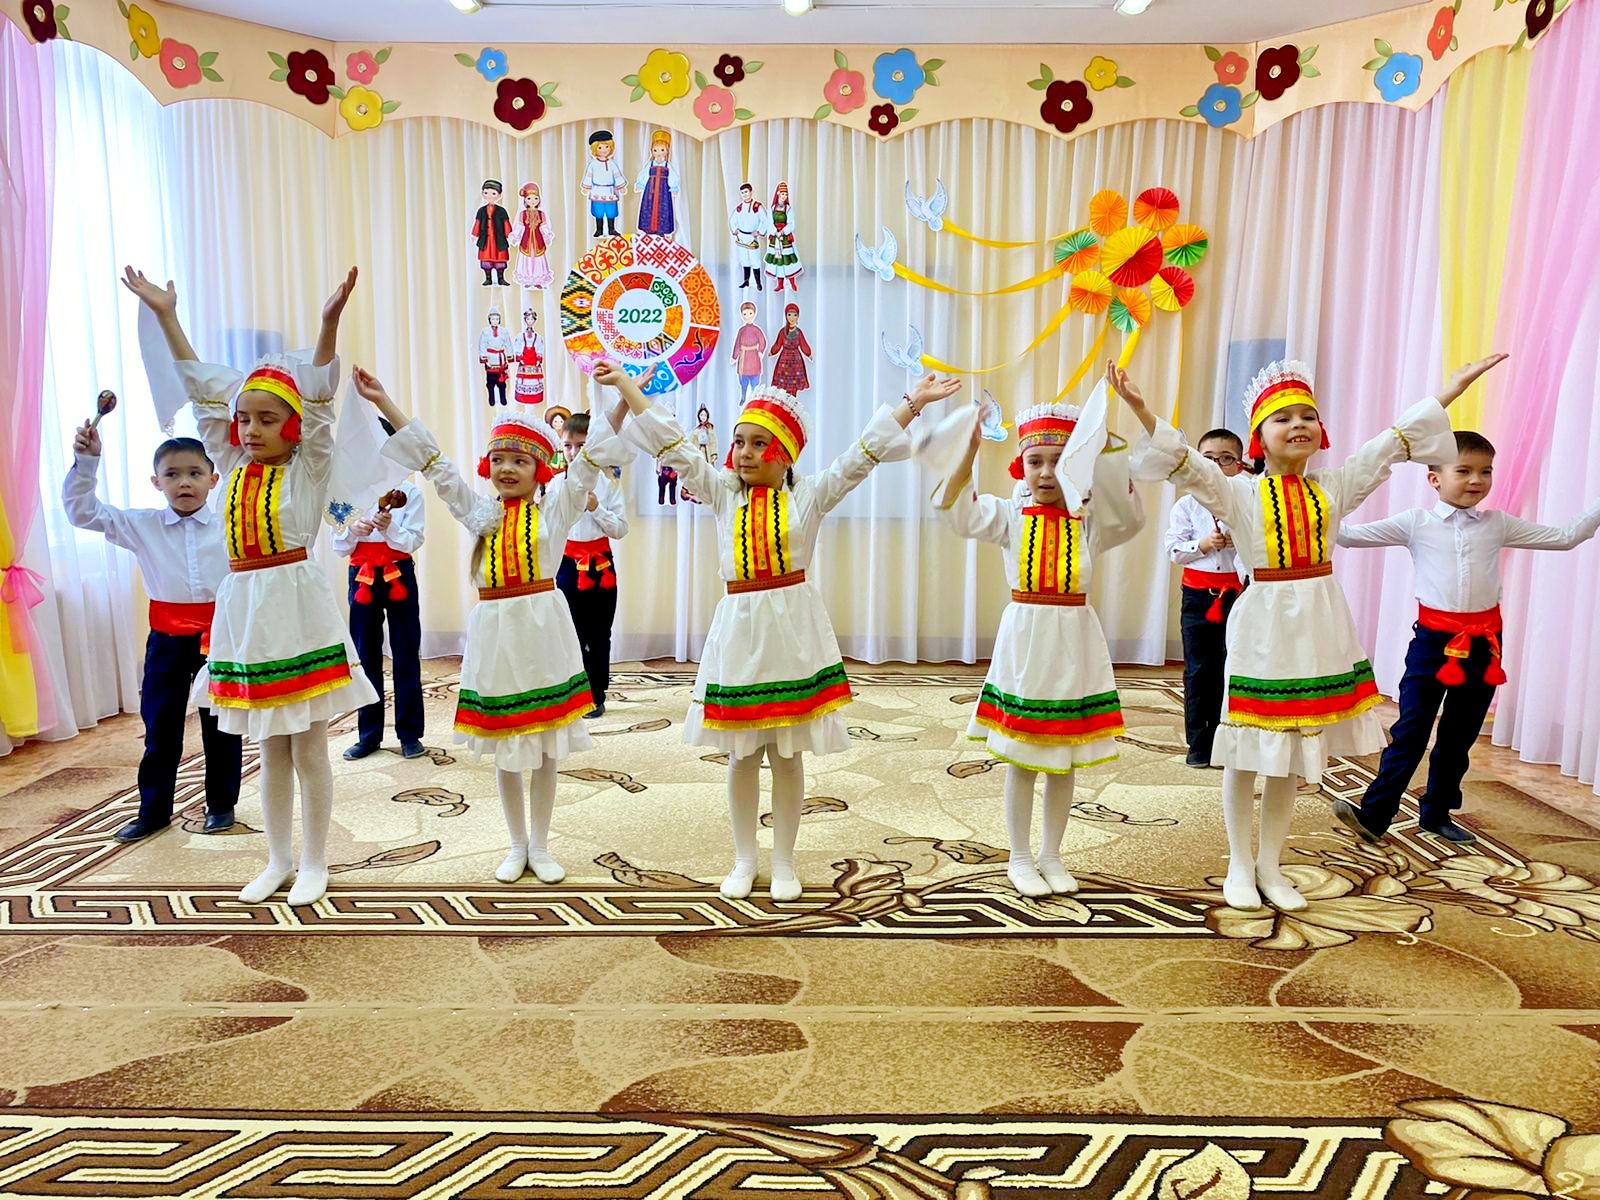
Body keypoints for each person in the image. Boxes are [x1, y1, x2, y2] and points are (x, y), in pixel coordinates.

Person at [1110, 353, 1505, 912]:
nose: (1298, 424)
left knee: (1291, 754)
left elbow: (1390, 444)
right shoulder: (1238, 492)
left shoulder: (1334, 486)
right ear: (1258, 436)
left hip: (1318, 628)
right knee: (1247, 749)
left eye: (1307, 416)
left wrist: (1451, 389)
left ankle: (1271, 865)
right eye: (1282, 418)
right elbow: (1188, 464)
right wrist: (1141, 409)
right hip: (1263, 628)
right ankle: (1239, 864)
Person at [597, 362, 959, 901]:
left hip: (792, 636)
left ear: (785, 452)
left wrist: (913, 402)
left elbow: (861, 455)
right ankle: (745, 858)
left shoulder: (809, 496)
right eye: (739, 442)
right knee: (742, 755)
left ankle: (784, 861)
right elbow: (674, 446)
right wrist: (627, 387)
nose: (744, 453)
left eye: (758, 443)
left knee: (787, 755)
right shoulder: (722, 492)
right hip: (740, 635)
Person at [123, 264, 379, 908]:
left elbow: (319, 405)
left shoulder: (310, 466)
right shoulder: (231, 462)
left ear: (291, 426)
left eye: (267, 419)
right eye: (245, 419)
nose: (251, 429)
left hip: (295, 606)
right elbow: (200, 392)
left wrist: (328, 323)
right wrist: (167, 316)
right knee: (269, 745)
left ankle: (315, 862)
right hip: (243, 611)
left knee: (308, 746)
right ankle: (277, 860)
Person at [359, 368, 630, 885]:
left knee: (545, 746)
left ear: (540, 468)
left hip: (543, 633)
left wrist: (616, 399)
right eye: (500, 458)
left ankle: (541, 844)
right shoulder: (481, 514)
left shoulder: (557, 510)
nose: (508, 468)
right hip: (496, 637)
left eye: (520, 460)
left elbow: (591, 460)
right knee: (507, 747)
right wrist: (385, 402)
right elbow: (437, 466)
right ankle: (516, 843)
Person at [1333, 431, 1600, 845]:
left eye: (1485, 471)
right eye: (1463, 471)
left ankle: (1437, 813)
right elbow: (1349, 536)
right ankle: (1374, 814)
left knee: (1459, 736)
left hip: (1484, 647)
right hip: (1432, 645)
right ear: (1434, 478)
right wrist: (1314, 506)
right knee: (1411, 730)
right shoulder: (1415, 523)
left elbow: (1564, 538)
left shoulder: (1498, 524)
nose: (1476, 479)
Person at [930, 398, 1142, 896]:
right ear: (1020, 465)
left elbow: (1130, 518)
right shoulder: (1010, 514)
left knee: (1064, 756)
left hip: (1074, 641)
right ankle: (1020, 856)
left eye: (1058, 461)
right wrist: (969, 449)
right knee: (1024, 756)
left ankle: (1052, 853)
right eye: (1035, 461)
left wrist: (1103, 449)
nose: (1046, 473)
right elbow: (955, 512)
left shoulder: (1089, 518)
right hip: (1026, 643)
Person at [62, 429, 241, 842]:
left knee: (221, 725)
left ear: (213, 479)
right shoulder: (141, 525)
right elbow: (82, 512)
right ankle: (154, 811)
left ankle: (221, 805)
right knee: (160, 726)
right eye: (172, 474)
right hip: (166, 640)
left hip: (220, 639)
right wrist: (87, 463)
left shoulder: (230, 525)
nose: (184, 483)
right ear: (156, 481)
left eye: (195, 473)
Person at [331, 467, 426, 762]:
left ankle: (410, 734)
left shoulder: (409, 493)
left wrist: (389, 529)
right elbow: (338, 546)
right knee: (365, 654)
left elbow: (414, 540)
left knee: (406, 650)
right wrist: (352, 530)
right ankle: (368, 735)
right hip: (361, 575)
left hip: (399, 573)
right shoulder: (347, 495)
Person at [1165, 428, 1247, 768]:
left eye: (1226, 459)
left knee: (1233, 667)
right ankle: (1199, 743)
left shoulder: (1246, 503)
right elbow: (1173, 549)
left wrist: (1238, 542)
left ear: (1239, 465)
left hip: (1238, 596)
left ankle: (1230, 743)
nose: (1216, 466)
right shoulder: (1186, 505)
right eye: (1208, 459)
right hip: (1198, 597)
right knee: (1199, 669)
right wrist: (1202, 545)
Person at [555, 412, 629, 720]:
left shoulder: (609, 483)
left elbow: (620, 529)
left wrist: (597, 508)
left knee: (599, 634)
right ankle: (573, 692)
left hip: (600, 566)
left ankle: (596, 694)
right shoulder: (555, 485)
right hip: (567, 565)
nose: (573, 453)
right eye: (568, 446)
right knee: (569, 632)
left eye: (581, 445)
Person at [635, 130, 681, 240]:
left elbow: (673, 176)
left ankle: (661, 230)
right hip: (650, 190)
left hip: (663, 191)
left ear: (667, 150)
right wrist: (640, 184)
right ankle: (648, 229)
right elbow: (644, 174)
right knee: (648, 207)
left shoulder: (668, 165)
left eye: (662, 150)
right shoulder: (650, 164)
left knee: (663, 209)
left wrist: (674, 187)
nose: (659, 153)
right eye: (655, 150)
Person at [581, 130, 626, 239]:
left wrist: (621, 186)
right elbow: (588, 176)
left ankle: (611, 229)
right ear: (595, 149)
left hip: (610, 191)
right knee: (598, 211)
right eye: (600, 147)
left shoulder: (612, 164)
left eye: (606, 147)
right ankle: (599, 229)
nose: (604, 150)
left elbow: (617, 175)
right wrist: (586, 187)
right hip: (597, 191)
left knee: (611, 212)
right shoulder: (593, 164)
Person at [471, 179, 513, 287]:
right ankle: (488, 278)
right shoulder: (481, 211)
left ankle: (501, 278)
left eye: (493, 193)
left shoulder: (502, 211)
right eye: (486, 193)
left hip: (498, 239)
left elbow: (506, 224)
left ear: (499, 195)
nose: (489, 196)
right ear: (482, 193)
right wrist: (475, 234)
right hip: (486, 240)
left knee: (500, 259)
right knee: (486, 260)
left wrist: (509, 234)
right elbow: (478, 223)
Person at [512, 182, 553, 291]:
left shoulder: (541, 214)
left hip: (538, 240)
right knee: (527, 259)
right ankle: (528, 280)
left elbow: (544, 226)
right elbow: (520, 227)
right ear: (525, 200)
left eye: (535, 198)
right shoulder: (522, 214)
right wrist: (515, 236)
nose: (533, 201)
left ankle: (538, 280)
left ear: (539, 199)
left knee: (538, 259)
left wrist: (547, 235)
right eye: (529, 198)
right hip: (526, 240)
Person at [730, 183, 770, 291]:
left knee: (754, 260)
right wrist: (735, 229)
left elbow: (765, 220)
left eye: (746, 192)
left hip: (752, 237)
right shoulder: (739, 208)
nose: (744, 194)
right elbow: (732, 220)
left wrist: (759, 231)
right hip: (742, 236)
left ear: (751, 192)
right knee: (744, 259)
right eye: (742, 193)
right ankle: (746, 280)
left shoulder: (757, 207)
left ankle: (758, 282)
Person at [764, 181, 803, 292]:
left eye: (786, 194)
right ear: (778, 194)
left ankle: (792, 282)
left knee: (788, 260)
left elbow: (791, 224)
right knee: (778, 260)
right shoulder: (772, 209)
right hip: (776, 237)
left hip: (785, 238)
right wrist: (775, 232)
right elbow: (769, 223)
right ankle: (780, 283)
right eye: (782, 194)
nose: (784, 196)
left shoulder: (788, 209)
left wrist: (783, 232)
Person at [769, 304, 811, 397]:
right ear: (786, 316)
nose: (792, 317)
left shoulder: (799, 332)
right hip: (784, 359)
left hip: (796, 361)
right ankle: (785, 402)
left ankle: (793, 401)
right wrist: (772, 352)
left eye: (794, 315)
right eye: (789, 315)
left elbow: (803, 344)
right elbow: (778, 344)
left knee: (794, 384)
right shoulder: (782, 331)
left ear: (798, 317)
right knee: (784, 384)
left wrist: (809, 354)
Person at [730, 302, 767, 399]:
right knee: (743, 380)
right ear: (742, 315)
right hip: (744, 357)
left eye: (750, 313)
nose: (748, 316)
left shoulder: (756, 330)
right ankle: (743, 397)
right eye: (745, 314)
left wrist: (761, 351)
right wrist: (734, 357)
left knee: (755, 379)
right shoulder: (741, 330)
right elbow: (737, 344)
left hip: (754, 357)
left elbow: (762, 341)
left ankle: (755, 397)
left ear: (754, 314)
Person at [512, 308, 546, 406]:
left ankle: (535, 397)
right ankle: (522, 397)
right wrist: (520, 357)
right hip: (525, 359)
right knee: (524, 379)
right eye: (528, 319)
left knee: (535, 380)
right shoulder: (520, 336)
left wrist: (539, 358)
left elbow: (540, 347)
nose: (530, 321)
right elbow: (518, 346)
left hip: (534, 360)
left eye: (532, 319)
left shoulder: (538, 337)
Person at [478, 308, 511, 408]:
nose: (495, 321)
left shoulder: (504, 331)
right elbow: (482, 345)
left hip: (500, 358)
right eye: (493, 319)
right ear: (489, 320)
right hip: (490, 358)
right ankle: (491, 398)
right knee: (490, 381)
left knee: (502, 382)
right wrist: (485, 359)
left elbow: (508, 344)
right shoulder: (485, 332)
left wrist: (509, 356)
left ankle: (503, 398)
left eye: (497, 319)